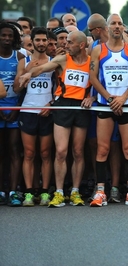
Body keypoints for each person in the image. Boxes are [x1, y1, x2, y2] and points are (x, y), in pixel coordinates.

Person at [19, 31, 93, 207]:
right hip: (63, 106)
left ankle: (75, 192)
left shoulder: (92, 62)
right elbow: (43, 68)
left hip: (82, 107)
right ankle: (59, 192)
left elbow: (99, 82)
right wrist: (30, 74)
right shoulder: (63, 59)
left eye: (70, 42)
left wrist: (93, 97)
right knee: (60, 151)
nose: (65, 45)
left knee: (78, 151)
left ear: (81, 45)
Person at [89, 14, 128, 207]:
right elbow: (93, 77)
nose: (117, 26)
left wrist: (122, 98)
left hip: (126, 103)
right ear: (107, 27)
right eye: (113, 23)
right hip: (106, 104)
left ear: (123, 28)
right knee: (103, 149)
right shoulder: (98, 50)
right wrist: (109, 97)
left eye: (120, 23)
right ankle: (100, 191)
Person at [14, 27, 55, 207]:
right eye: (37, 40)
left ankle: (45, 192)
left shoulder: (53, 62)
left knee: (46, 154)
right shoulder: (24, 61)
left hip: (46, 111)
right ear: (33, 41)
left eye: (43, 40)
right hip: (28, 111)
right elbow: (16, 88)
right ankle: (29, 193)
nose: (40, 43)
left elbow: (59, 89)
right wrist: (27, 70)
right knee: (29, 154)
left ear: (47, 41)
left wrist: (51, 104)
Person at [0, 22, 25, 206]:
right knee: (1, 152)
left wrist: (17, 107)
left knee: (15, 150)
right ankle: (2, 190)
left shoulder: (19, 56)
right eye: (3, 35)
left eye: (10, 36)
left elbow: (22, 86)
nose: (7, 38)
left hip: (15, 108)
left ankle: (14, 191)